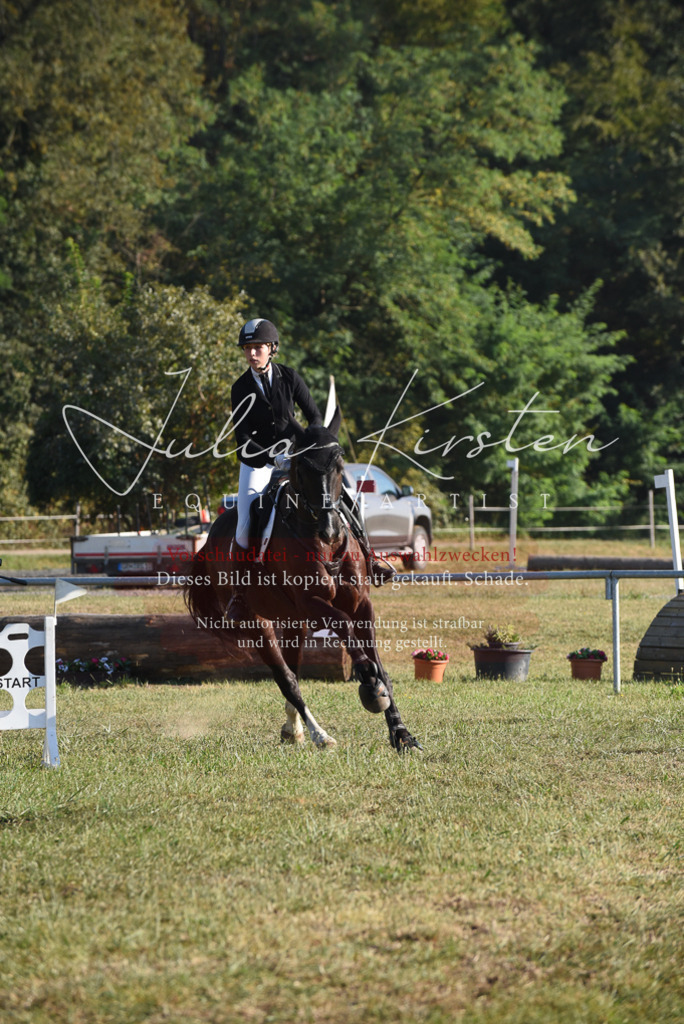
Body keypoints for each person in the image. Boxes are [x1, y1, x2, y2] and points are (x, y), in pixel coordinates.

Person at [227, 317, 393, 623]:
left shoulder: (290, 377)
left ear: (272, 348)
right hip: (258, 463)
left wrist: (313, 447)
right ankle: (240, 594)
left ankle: (371, 561)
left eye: (258, 347)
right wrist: (270, 457)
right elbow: (242, 438)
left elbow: (314, 417)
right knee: (245, 516)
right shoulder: (240, 388)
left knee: (344, 497)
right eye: (248, 348)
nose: (252, 354)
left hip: (300, 456)